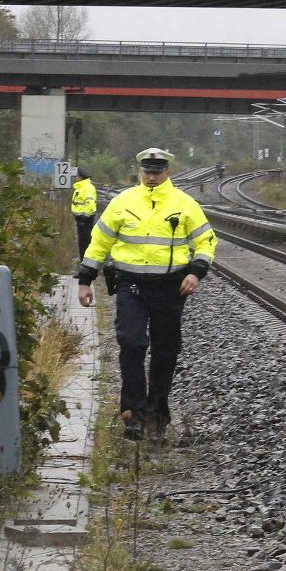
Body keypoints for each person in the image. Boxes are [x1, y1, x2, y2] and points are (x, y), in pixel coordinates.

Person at [76, 146, 216, 441]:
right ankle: (133, 415)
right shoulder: (122, 202)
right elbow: (99, 242)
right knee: (131, 344)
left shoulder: (185, 203)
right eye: (147, 171)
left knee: (166, 352)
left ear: (167, 172)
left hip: (170, 287)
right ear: (140, 171)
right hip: (132, 286)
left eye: (158, 172)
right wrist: (85, 279)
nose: (152, 177)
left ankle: (157, 413)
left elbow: (206, 241)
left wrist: (196, 272)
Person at [70, 167, 97, 257]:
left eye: (77, 176)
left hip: (85, 222)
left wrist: (84, 218)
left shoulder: (87, 188)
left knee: (85, 245)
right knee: (82, 245)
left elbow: (90, 205)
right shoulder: (80, 188)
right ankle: (84, 263)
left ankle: (86, 266)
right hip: (80, 221)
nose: (75, 178)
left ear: (81, 177)